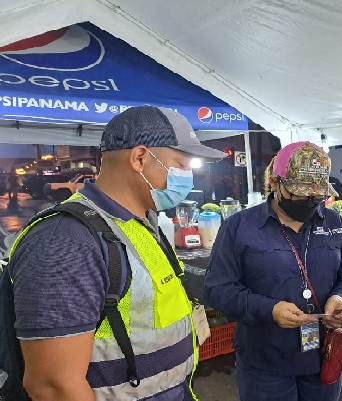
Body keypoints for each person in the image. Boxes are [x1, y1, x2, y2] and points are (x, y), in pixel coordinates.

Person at [8, 106, 226, 400]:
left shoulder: (140, 222)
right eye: (182, 164)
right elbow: (52, 386)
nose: (188, 177)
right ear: (139, 158)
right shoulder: (66, 241)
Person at [204, 141, 342, 401]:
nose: (307, 201)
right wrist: (269, 309)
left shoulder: (336, 223)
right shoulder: (239, 227)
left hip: (323, 354)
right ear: (274, 181)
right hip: (265, 359)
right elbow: (217, 289)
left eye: (315, 196)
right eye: (298, 193)